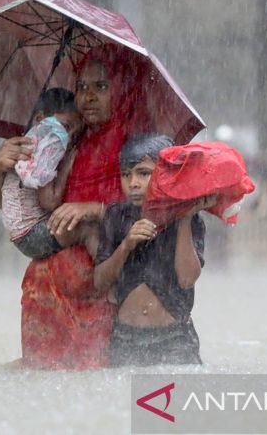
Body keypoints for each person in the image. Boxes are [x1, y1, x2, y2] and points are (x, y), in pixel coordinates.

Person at [0, 43, 152, 369]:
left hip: (103, 286)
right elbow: (17, 207)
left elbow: (150, 211)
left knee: (99, 386)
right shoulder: (60, 140)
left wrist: (95, 209)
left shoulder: (135, 144)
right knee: (46, 391)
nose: (89, 96)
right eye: (82, 87)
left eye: (101, 87)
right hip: (46, 289)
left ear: (122, 90)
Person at [93, 133, 217, 366]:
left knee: (176, 398)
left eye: (143, 173)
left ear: (165, 175)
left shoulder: (190, 218)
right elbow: (100, 282)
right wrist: (126, 245)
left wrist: (184, 219)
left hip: (174, 339)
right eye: (126, 175)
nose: (133, 184)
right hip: (125, 338)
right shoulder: (116, 217)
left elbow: (187, 279)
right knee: (122, 400)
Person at [1, 88, 100, 259]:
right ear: (41, 119)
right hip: (32, 233)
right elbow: (50, 202)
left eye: (75, 134)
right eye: (66, 127)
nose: (68, 138)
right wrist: (67, 166)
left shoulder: (31, 140)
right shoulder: (44, 150)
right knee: (90, 230)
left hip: (22, 232)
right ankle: (107, 274)